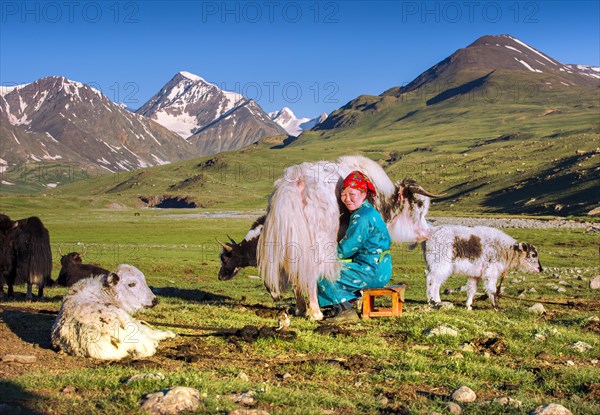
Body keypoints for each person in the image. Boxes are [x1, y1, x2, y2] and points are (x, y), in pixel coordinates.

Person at [317, 170, 393, 323]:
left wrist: (324, 258)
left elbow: (347, 248)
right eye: (344, 195)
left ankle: (345, 310)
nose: (347, 199)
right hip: (381, 268)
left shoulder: (361, 217)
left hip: (371, 271)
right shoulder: (369, 212)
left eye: (352, 194)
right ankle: (345, 302)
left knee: (322, 273)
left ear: (364, 194)